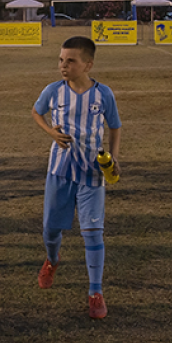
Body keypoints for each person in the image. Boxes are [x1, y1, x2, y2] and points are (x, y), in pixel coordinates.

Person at [32, 36, 122, 320]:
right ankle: (52, 260)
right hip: (59, 172)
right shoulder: (53, 91)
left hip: (92, 174)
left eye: (70, 61)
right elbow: (36, 112)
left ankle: (95, 292)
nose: (63, 66)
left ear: (88, 65)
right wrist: (50, 132)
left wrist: (115, 156)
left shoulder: (103, 94)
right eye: (61, 60)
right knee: (51, 230)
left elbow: (115, 126)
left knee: (93, 232)